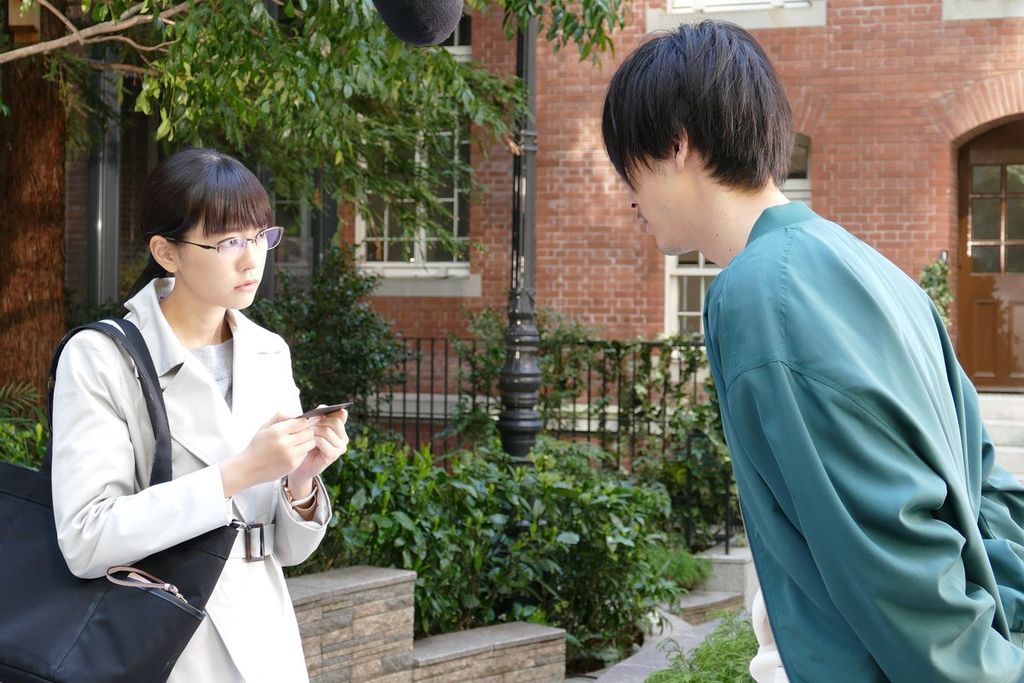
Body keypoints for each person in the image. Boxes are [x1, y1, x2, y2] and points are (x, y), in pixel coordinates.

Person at [602, 20, 1024, 682]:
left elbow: (896, 560)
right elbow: (988, 495)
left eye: (626, 161)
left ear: (677, 143)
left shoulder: (760, 295)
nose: (627, 192)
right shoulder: (880, 273)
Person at [50, 147, 349, 682]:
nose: (251, 260)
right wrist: (242, 471)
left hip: (268, 642)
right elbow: (87, 539)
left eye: (259, 236)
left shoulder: (268, 351)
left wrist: (301, 482)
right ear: (167, 252)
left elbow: (284, 550)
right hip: (170, 645)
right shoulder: (102, 358)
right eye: (228, 241)